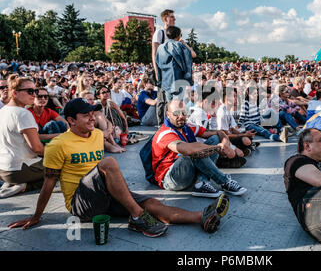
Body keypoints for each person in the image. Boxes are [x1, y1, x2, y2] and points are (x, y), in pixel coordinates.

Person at [8, 98, 229, 235]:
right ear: (71, 120)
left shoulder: (96, 135)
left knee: (150, 202)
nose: (92, 118)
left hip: (103, 194)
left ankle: (200, 217)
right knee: (109, 163)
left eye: (93, 114)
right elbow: (48, 183)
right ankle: (137, 218)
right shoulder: (58, 145)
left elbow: (107, 165)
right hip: (80, 204)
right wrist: (36, 216)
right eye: (86, 115)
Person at [151, 99, 247, 198]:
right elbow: (189, 150)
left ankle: (201, 183)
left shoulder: (187, 127)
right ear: (168, 114)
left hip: (187, 171)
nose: (181, 116)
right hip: (171, 179)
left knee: (214, 139)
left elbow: (219, 133)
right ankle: (225, 181)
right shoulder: (165, 133)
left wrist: (225, 144)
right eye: (176, 113)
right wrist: (218, 148)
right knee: (194, 151)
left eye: (183, 113)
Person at [0, 75, 44, 198]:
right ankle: (24, 186)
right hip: (18, 170)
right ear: (14, 93)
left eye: (35, 91)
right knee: (63, 166)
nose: (34, 94)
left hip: (3, 169)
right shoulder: (23, 113)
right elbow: (37, 149)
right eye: (30, 91)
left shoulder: (3, 111)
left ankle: (13, 184)